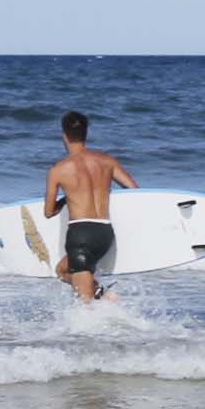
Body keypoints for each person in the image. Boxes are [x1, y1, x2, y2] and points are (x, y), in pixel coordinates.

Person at [44, 110, 135, 302]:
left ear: (64, 136)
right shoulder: (107, 161)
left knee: (85, 307)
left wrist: (66, 199)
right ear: (86, 134)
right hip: (104, 233)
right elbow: (134, 190)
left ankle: (108, 305)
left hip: (80, 236)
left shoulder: (58, 169)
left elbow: (49, 212)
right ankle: (102, 293)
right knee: (61, 270)